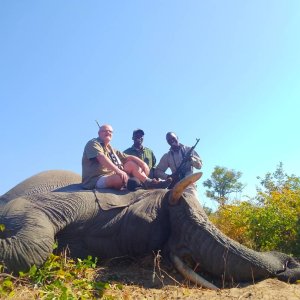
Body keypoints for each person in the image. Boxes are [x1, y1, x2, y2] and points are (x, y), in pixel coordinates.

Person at [81, 124, 171, 190]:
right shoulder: (93, 143)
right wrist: (118, 171)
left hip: (111, 175)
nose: (108, 133)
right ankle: (132, 185)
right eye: (104, 131)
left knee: (131, 164)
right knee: (121, 178)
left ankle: (148, 182)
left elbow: (128, 157)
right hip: (97, 179)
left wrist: (143, 163)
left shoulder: (111, 148)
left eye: (110, 131)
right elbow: (101, 158)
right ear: (99, 133)